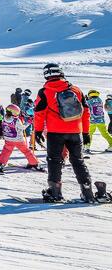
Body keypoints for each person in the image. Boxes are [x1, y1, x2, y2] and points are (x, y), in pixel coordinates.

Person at [34, 63, 95, 203]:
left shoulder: (44, 91)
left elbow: (39, 113)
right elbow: (86, 112)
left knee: (54, 161)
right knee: (78, 161)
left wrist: (37, 131)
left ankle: (55, 192)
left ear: (46, 75)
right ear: (61, 73)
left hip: (55, 132)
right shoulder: (76, 90)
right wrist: (85, 132)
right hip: (76, 132)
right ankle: (87, 192)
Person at [0, 105, 41, 173]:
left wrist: (20, 117)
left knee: (6, 151)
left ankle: (2, 163)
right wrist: (29, 121)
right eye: (16, 112)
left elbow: (11, 120)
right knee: (26, 151)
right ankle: (34, 163)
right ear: (13, 112)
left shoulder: (4, 117)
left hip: (8, 138)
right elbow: (22, 127)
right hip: (18, 140)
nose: (17, 113)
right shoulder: (16, 120)